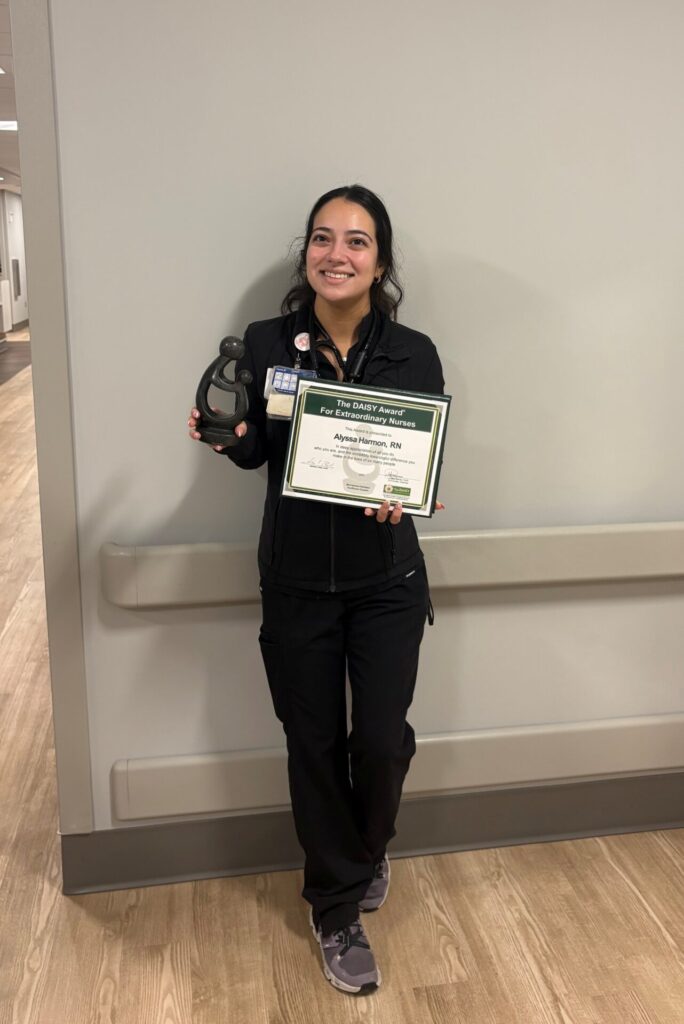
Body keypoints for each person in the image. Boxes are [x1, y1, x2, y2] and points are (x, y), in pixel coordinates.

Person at [189, 184, 445, 995]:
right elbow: (260, 449)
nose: (338, 254)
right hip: (296, 584)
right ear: (307, 252)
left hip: (387, 583)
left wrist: (401, 491)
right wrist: (231, 441)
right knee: (312, 746)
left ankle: (367, 848)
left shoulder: (415, 353)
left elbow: (420, 462)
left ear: (381, 261)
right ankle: (335, 907)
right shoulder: (269, 342)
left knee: (377, 740)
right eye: (323, 238)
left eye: (357, 241)